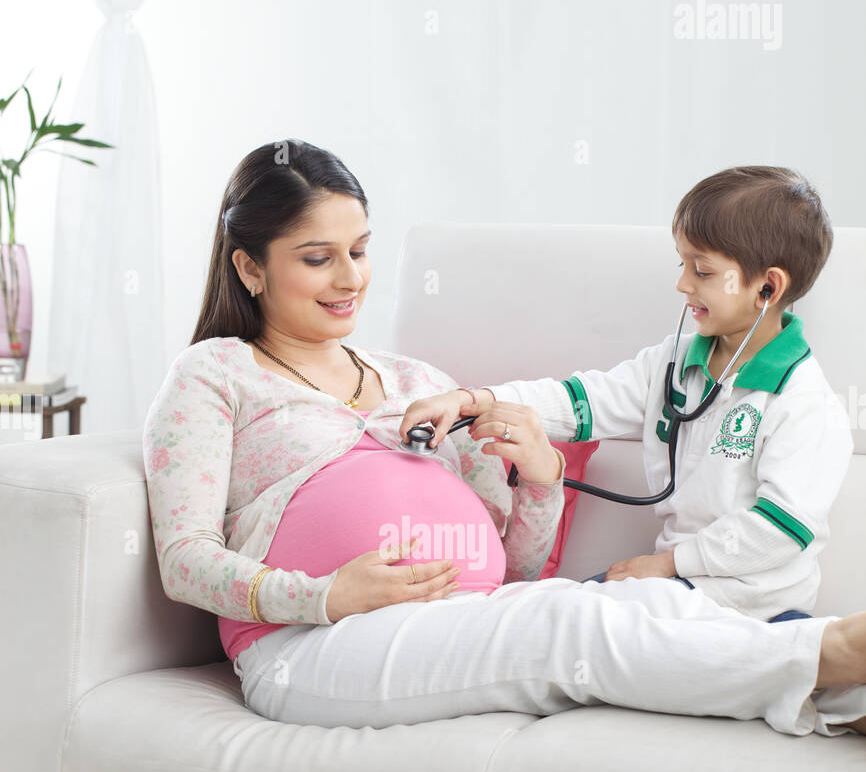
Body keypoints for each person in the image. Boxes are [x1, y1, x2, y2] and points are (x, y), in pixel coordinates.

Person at [141, 141, 866, 737]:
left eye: (360, 251)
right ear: (249, 266)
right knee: (568, 623)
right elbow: (184, 560)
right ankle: (833, 652)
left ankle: (849, 701)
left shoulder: (414, 380)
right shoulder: (217, 374)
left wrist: (544, 481)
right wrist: (325, 596)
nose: (350, 279)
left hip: (464, 615)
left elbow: (514, 571)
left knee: (645, 605)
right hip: (310, 646)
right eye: (317, 257)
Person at [401, 167, 852, 624]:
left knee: (567, 624)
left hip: (757, 607)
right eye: (683, 265)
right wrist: (475, 400)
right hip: (677, 592)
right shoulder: (671, 364)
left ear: (767, 287)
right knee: (536, 617)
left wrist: (667, 566)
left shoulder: (804, 404)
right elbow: (582, 401)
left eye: (703, 270)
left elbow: (778, 531)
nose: (683, 284)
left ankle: (792, 661)